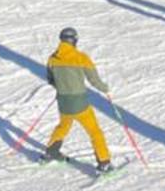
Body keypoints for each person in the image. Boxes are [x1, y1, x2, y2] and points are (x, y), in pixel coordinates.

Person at [41, 27, 113, 171]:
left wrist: (63, 87)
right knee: (95, 131)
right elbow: (94, 80)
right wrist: (106, 89)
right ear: (74, 40)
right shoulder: (81, 57)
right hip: (80, 104)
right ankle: (104, 162)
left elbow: (50, 79)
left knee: (63, 126)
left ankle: (51, 153)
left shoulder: (52, 58)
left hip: (63, 103)